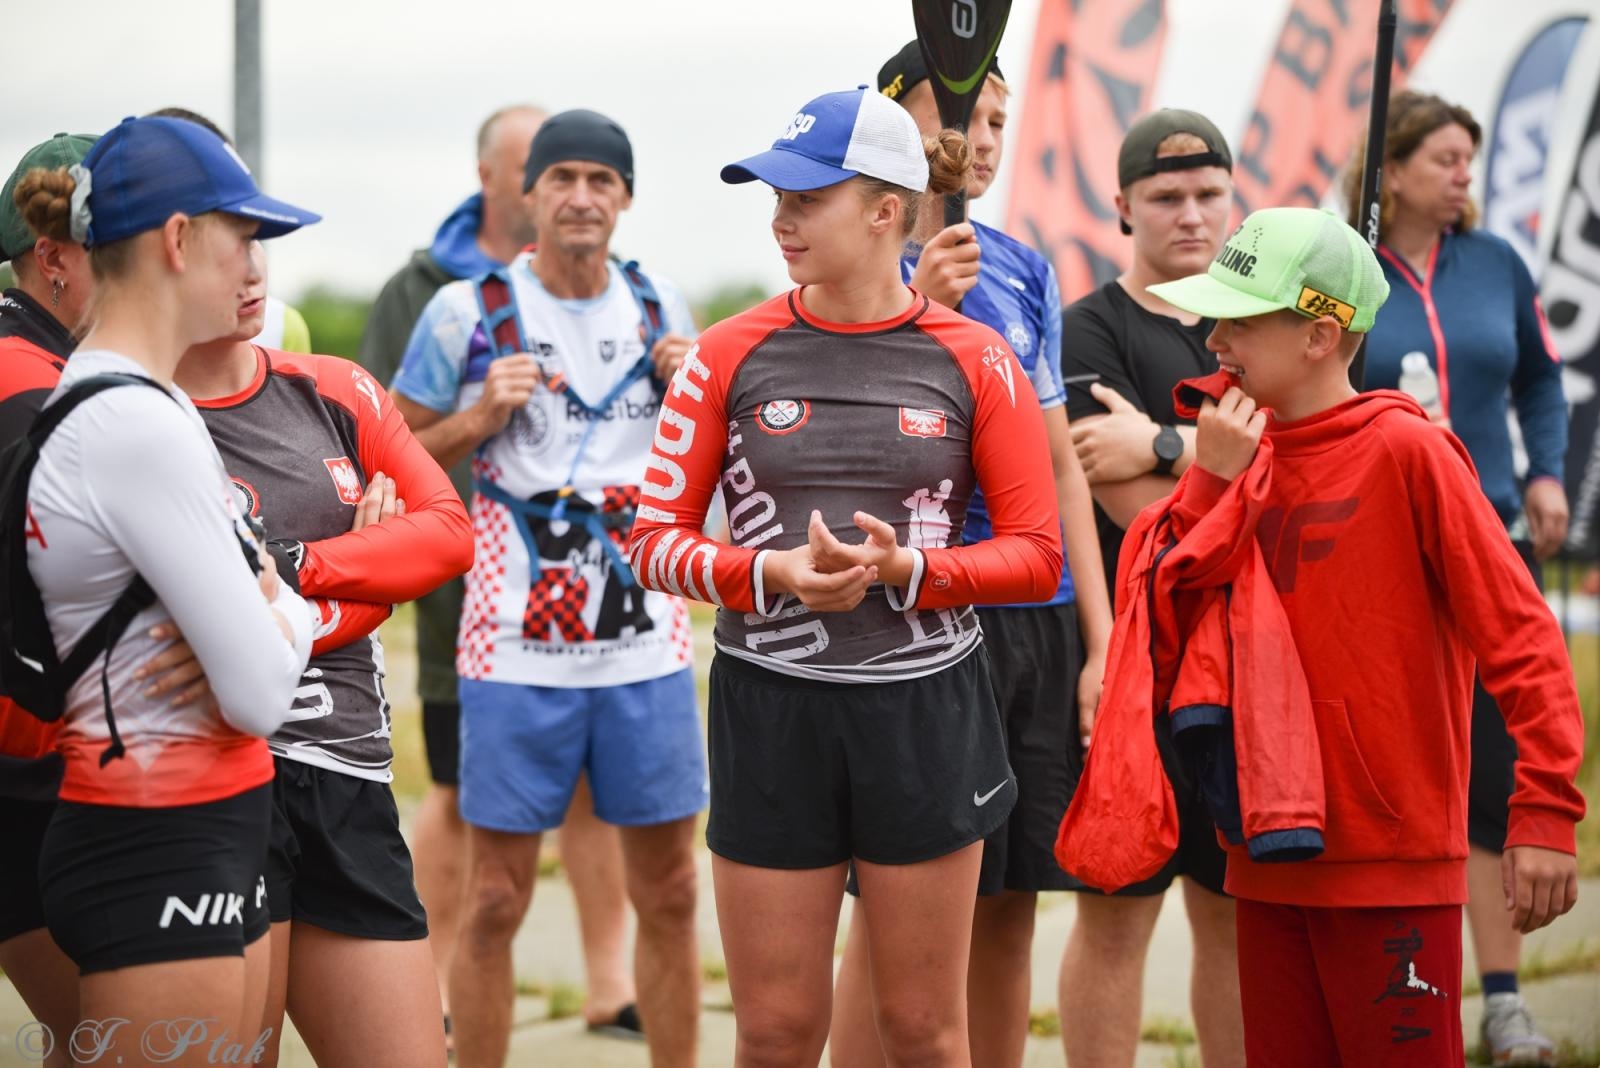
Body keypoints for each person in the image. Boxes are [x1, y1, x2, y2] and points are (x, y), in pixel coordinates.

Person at [630, 85, 1062, 1066]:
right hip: (769, 707)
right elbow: (650, 541)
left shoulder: (976, 355)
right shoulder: (725, 353)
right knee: (777, 1031)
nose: (779, 221)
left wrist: (911, 569)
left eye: (803, 199)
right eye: (772, 199)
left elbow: (1037, 557)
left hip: (925, 710)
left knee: (921, 1030)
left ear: (884, 210)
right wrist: (769, 571)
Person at [1139, 204, 1584, 1066]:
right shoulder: (1236, 454)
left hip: (1391, 857)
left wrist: (1544, 808)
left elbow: (1522, 635)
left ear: (1318, 334)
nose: (1216, 339)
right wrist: (1204, 486)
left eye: (1241, 317)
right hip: (1264, 852)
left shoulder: (1410, 452)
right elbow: (1160, 632)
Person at [390, 108, 706, 1068]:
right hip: (515, 652)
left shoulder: (663, 308)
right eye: (561, 178)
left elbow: (714, 468)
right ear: (526, 194)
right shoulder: (464, 311)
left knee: (675, 893)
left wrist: (699, 392)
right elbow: (395, 464)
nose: (580, 197)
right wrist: (481, 415)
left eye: (600, 180)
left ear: (626, 198)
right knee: (495, 898)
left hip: (644, 648)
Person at [163, 104, 472, 1067]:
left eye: (260, 240)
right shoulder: (124, 412)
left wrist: (286, 574)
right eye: (227, 242)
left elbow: (447, 535)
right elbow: (177, 634)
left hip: (344, 781)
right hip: (209, 787)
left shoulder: (332, 386)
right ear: (164, 250)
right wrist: (368, 584)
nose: (253, 269)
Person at [828, 45, 1111, 1068]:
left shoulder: (1022, 265)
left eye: (995, 122)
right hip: (925, 616)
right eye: (956, 119)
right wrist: (927, 303)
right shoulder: (852, 262)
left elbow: (1058, 467)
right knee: (897, 905)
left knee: (1011, 897)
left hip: (1036, 612)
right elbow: (857, 444)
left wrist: (1102, 638)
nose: (977, 143)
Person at [14, 115, 319, 1058]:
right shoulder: (129, 425)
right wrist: (291, 607)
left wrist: (275, 605)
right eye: (246, 235)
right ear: (180, 240)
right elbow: (262, 692)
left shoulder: (148, 402)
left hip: (199, 826)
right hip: (156, 837)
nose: (257, 263)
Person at [1343, 90, 1570, 1064]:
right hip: (1380, 558)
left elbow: (1538, 378)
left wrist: (1546, 468)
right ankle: (1390, 986)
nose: (1461, 178)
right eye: (1442, 159)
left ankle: (1503, 1000)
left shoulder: (1494, 265)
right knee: (1400, 775)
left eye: (1468, 161)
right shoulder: (1346, 268)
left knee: (1490, 776)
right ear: (1389, 171)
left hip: (1489, 541)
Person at [1058, 109, 1244, 1068]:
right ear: (1124, 206)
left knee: (1234, 919)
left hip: (1249, 669)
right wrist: (1217, 465)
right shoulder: (1088, 329)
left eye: (1209, 193)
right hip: (1137, 670)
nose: (1191, 214)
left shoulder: (1260, 323)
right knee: (1117, 915)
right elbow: (1144, 517)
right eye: (1167, 197)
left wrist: (1166, 442)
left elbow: (1298, 479)